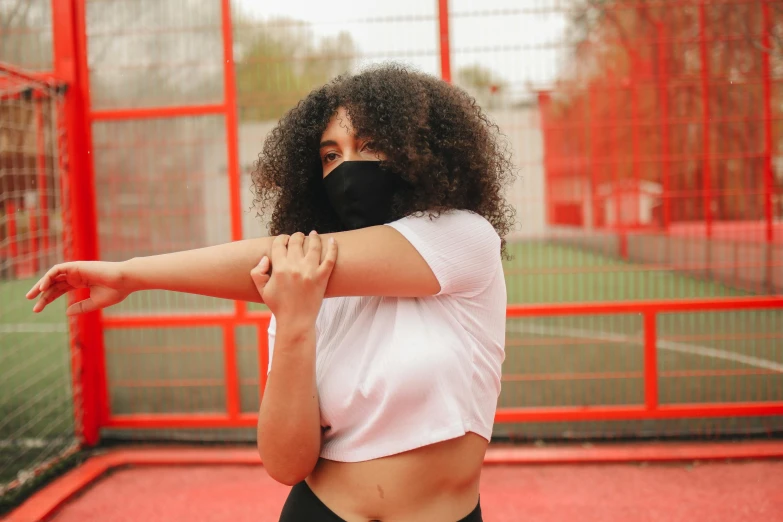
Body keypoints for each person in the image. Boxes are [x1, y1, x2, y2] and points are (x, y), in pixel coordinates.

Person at [27, 64, 515, 522]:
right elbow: (286, 464)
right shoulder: (297, 286)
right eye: (331, 155)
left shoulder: (461, 236)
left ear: (418, 150)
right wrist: (296, 325)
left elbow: (272, 258)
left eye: (370, 146)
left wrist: (131, 274)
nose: (348, 168)